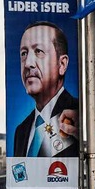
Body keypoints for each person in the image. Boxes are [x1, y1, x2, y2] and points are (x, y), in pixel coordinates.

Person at [13, 21, 79, 158]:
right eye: (24, 53)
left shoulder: (80, 115)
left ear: (62, 64)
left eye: (38, 51)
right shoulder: (21, 130)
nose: (28, 63)